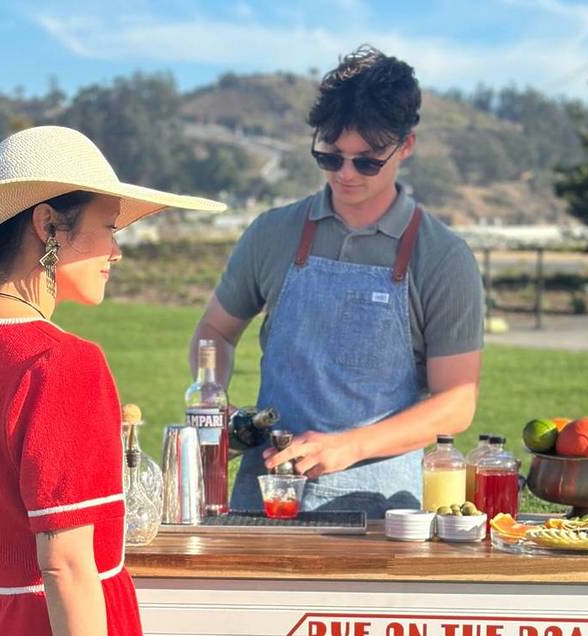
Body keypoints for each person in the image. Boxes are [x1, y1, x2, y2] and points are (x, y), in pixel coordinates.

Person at [0, 126, 224, 636]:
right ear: (47, 224)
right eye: (108, 228)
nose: (116, 251)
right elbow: (67, 566)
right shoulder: (61, 364)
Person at [190, 46, 484, 518]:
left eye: (367, 161)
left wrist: (349, 446)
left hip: (382, 516)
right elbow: (215, 331)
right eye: (330, 156)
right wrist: (212, 395)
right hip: (263, 502)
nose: (345, 174)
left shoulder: (443, 257)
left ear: (406, 146)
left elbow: (456, 402)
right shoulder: (272, 233)